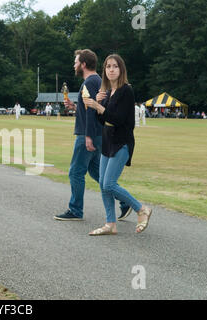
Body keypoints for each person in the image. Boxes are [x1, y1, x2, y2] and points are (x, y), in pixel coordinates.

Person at [54, 49, 130, 222]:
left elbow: (91, 111)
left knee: (75, 172)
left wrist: (88, 136)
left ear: (83, 64)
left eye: (75, 62)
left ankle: (75, 210)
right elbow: (90, 108)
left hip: (88, 134)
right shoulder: (95, 81)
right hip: (96, 133)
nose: (74, 65)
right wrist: (75, 106)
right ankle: (125, 202)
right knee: (97, 173)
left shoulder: (90, 82)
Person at [83, 54, 152, 235]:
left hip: (121, 142)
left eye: (115, 66)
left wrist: (98, 106)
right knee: (102, 185)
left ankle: (141, 209)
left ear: (121, 69)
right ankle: (110, 224)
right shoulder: (107, 92)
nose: (111, 69)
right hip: (107, 141)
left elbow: (119, 119)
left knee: (109, 184)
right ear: (104, 70)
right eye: (108, 66)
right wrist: (99, 102)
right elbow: (102, 120)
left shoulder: (125, 91)